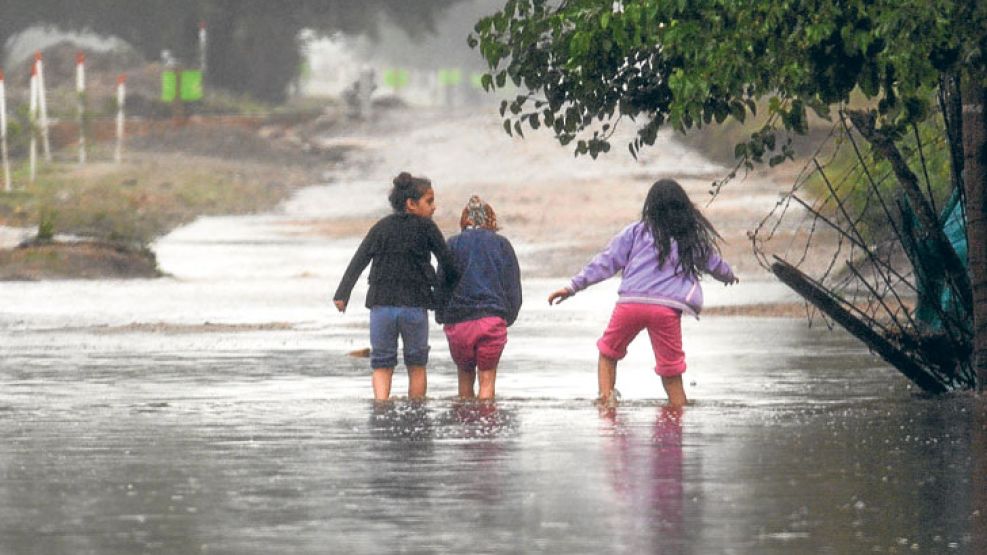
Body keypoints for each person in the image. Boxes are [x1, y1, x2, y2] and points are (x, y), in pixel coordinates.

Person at [547, 178, 738, 407]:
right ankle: (678, 412)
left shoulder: (635, 232)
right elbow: (713, 262)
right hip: (666, 310)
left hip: (630, 305)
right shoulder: (688, 238)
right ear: (683, 207)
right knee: (671, 370)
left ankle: (607, 407)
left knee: (608, 354)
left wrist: (573, 287)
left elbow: (606, 262)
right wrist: (728, 276)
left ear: (650, 206)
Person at [333, 172, 458, 401]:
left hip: (382, 306)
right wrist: (448, 294)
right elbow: (447, 263)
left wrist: (342, 295)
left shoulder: (380, 228)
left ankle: (381, 409)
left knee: (381, 364)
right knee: (417, 364)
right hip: (415, 307)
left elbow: (359, 261)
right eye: (429, 201)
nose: (434, 207)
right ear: (411, 204)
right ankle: (417, 411)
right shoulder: (427, 228)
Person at [436, 196, 522, 400]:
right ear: (491, 220)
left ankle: (466, 428)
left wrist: (441, 315)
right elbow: (512, 286)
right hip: (491, 320)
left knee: (465, 377)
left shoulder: (452, 244)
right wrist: (508, 317)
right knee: (487, 377)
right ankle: (485, 424)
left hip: (458, 324)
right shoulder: (502, 245)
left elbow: (441, 283)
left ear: (464, 220)